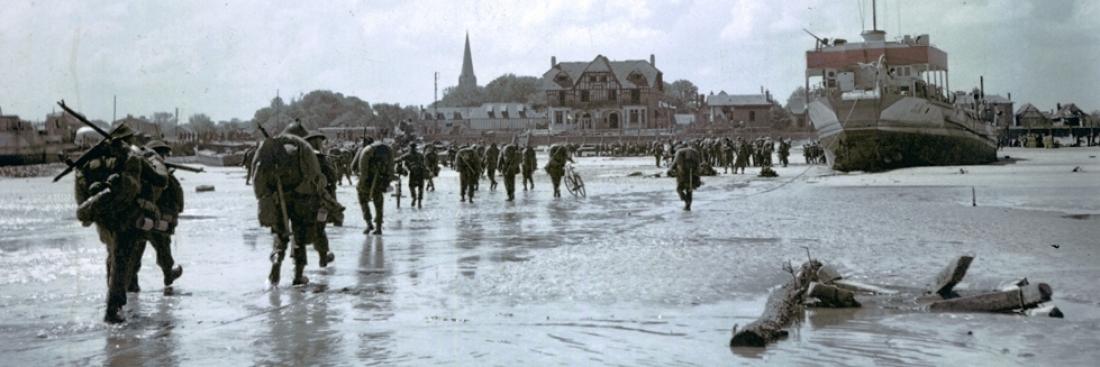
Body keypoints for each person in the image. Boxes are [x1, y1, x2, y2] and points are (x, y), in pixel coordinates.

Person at [72, 124, 164, 322]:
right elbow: (159, 179)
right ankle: (113, 308)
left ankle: (114, 300)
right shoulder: (131, 157)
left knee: (113, 256)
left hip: (102, 216)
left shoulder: (89, 161)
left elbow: (81, 193)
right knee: (122, 258)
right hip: (126, 215)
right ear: (127, 139)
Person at [252, 122, 343, 286]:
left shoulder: (272, 149)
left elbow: (258, 176)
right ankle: (298, 276)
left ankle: (275, 266)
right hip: (303, 199)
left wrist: (265, 198)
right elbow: (316, 177)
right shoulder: (303, 149)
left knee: (280, 236)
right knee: (300, 237)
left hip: (278, 200)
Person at [128, 140, 184, 293]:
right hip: (157, 221)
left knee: (136, 251)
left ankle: (131, 282)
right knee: (163, 250)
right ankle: (168, 275)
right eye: (165, 154)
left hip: (140, 218)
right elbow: (177, 198)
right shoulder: (162, 175)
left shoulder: (138, 173)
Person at [305, 132, 338, 267]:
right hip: (320, 203)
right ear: (317, 143)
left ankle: (298, 263)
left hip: (300, 202)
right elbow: (332, 179)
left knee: (298, 230)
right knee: (319, 229)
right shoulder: (321, 158)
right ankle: (323, 258)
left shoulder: (300, 157)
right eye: (321, 142)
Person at [354, 137, 393, 235]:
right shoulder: (386, 150)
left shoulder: (363, 150)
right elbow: (391, 168)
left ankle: (369, 223)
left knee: (362, 199)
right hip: (381, 179)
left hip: (367, 180)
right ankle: (378, 227)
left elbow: (357, 168)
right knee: (379, 202)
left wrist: (360, 182)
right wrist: (387, 180)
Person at [668, 144, 702, 211]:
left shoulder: (679, 151)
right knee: (689, 190)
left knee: (679, 189)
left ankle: (686, 200)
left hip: (683, 174)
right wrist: (697, 174)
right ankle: (688, 206)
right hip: (693, 173)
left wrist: (670, 169)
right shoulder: (694, 151)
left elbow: (676, 162)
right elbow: (698, 163)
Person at [398, 143, 428, 209]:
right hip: (421, 172)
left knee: (411, 186)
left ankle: (414, 197)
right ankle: (419, 202)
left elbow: (399, 159)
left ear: (410, 148)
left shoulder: (408, 155)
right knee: (420, 187)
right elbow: (424, 163)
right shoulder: (420, 155)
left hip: (413, 173)